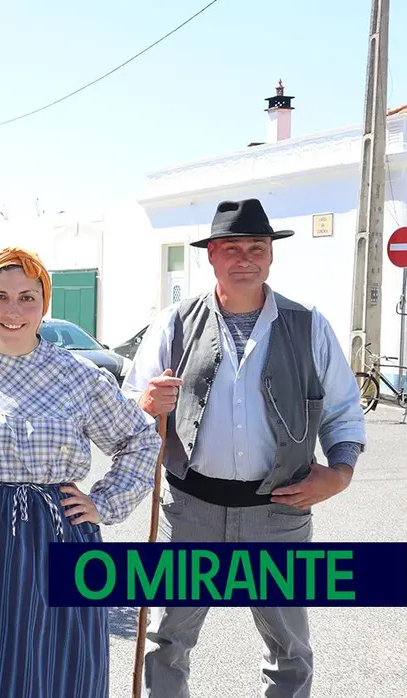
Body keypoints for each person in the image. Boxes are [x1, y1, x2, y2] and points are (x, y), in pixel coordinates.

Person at [124, 198, 366, 698]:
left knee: (289, 652)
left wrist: (340, 473)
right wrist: (147, 403)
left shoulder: (308, 324)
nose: (245, 258)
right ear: (211, 255)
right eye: (231, 248)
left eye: (256, 247)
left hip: (278, 514)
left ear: (271, 256)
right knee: (166, 643)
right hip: (189, 511)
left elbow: (344, 410)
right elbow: (127, 407)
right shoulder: (174, 324)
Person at [0, 247, 161, 698]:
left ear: (44, 304)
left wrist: (102, 502)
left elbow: (140, 438)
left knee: (63, 668)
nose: (13, 310)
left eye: (27, 297)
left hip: (60, 533)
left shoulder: (79, 376)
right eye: (0, 296)